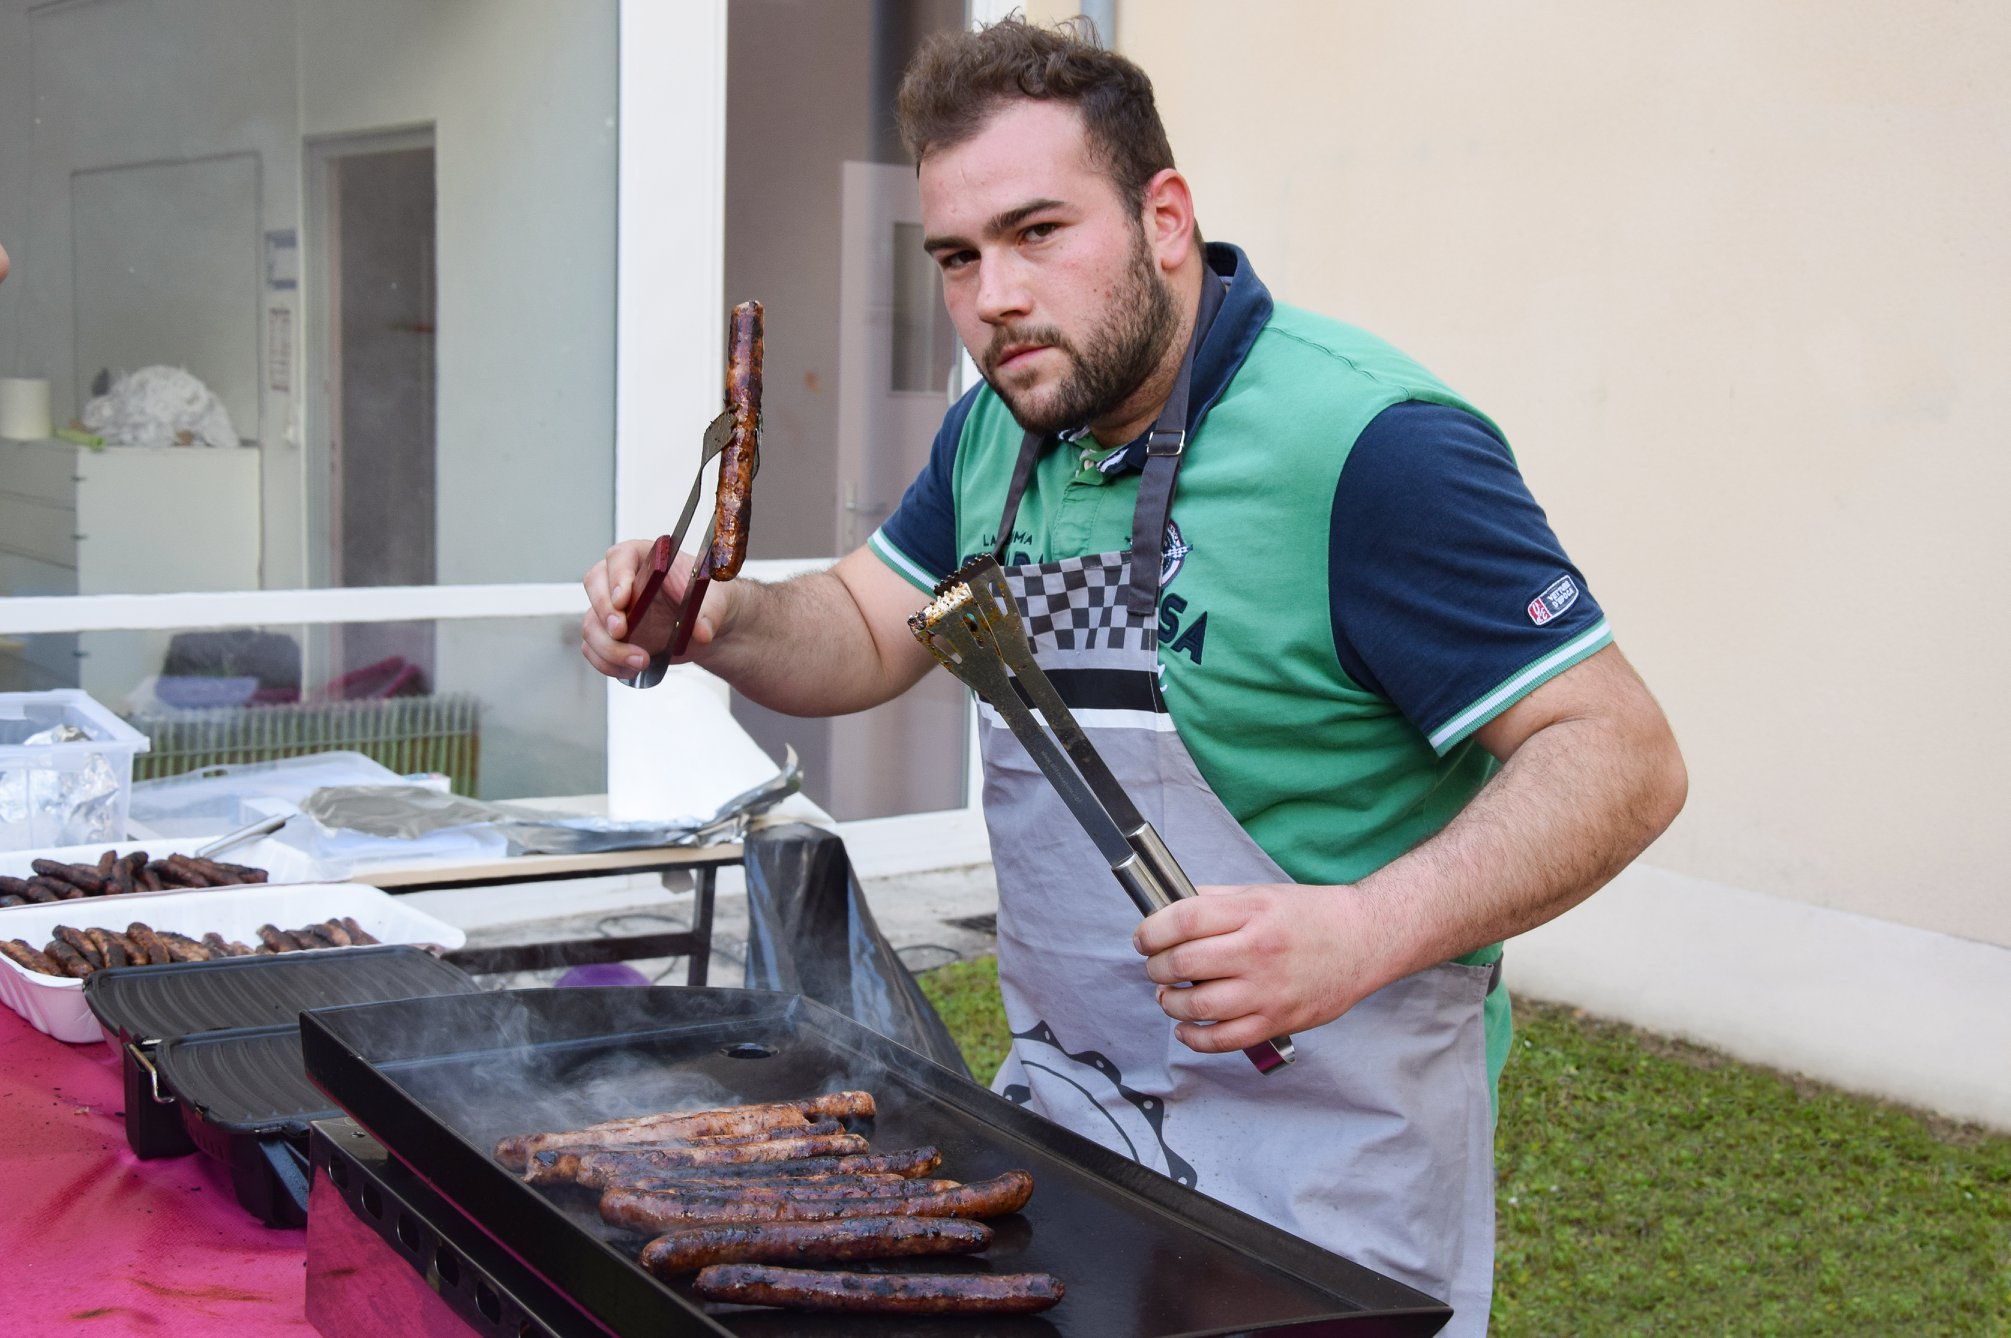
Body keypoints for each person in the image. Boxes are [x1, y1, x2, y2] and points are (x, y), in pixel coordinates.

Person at [583, 18, 1684, 1333]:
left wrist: (1362, 928)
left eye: (1038, 232)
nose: (993, 295)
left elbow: (1619, 753)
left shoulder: (1367, 446)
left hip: (1326, 1182)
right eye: (956, 256)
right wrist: (714, 619)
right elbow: (868, 628)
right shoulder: (1000, 429)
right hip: (1072, 1133)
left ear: (1166, 217)